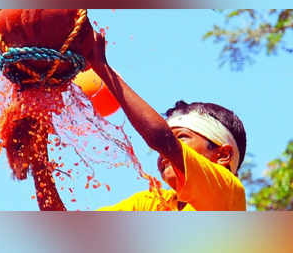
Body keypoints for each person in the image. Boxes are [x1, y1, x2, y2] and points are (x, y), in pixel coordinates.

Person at [86, 31, 247, 211]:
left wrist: (103, 69)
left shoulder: (227, 191)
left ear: (223, 155)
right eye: (172, 138)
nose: (163, 154)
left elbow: (162, 140)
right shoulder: (153, 204)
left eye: (182, 137)